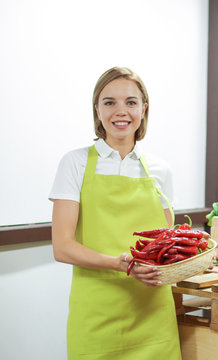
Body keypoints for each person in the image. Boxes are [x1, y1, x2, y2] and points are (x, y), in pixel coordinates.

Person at [49, 67, 181, 359]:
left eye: (131, 102)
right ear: (97, 110)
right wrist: (120, 265)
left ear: (144, 109)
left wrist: (193, 261)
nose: (121, 111)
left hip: (151, 312)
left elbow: (166, 246)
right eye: (109, 102)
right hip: (96, 312)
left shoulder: (160, 170)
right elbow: (62, 247)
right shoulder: (75, 163)